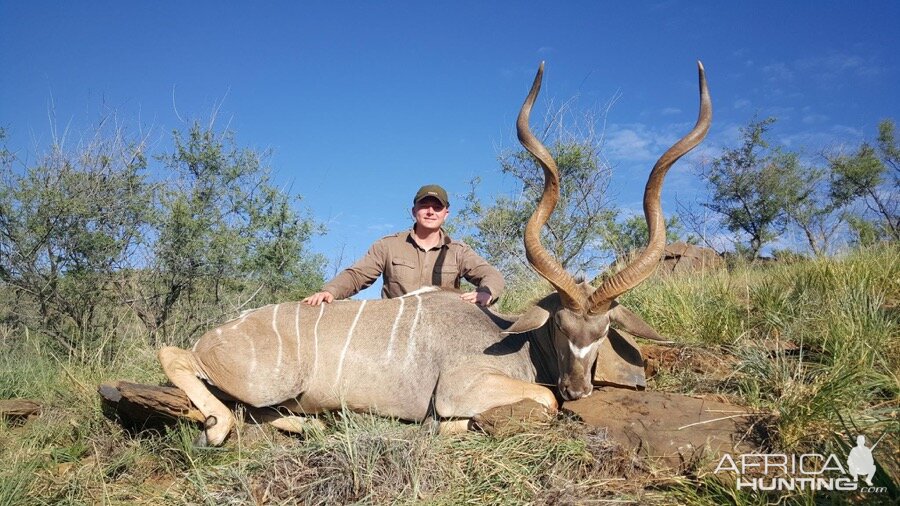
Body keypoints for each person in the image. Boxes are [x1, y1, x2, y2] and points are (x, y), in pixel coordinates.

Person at [302, 184, 504, 306]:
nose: (430, 211)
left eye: (437, 207)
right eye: (424, 206)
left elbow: (491, 275)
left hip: (441, 328)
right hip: (394, 329)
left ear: (446, 214)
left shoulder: (458, 251)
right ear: (414, 210)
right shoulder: (389, 245)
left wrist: (486, 292)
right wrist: (330, 291)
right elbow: (357, 275)